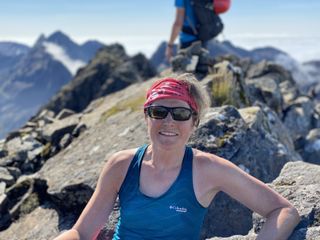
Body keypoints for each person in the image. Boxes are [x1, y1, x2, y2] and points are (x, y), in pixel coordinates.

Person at [54, 73, 300, 240]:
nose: (168, 121)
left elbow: (283, 211)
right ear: (146, 117)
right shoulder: (121, 164)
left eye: (180, 113)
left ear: (194, 122)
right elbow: (82, 233)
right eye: (159, 111)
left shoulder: (208, 169)